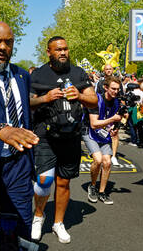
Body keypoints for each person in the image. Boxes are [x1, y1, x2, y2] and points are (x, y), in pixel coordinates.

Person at [30, 36, 97, 243]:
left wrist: (79, 95)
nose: (63, 53)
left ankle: (58, 223)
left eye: (65, 49)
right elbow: (29, 102)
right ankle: (38, 216)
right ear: (48, 52)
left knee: (63, 182)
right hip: (45, 136)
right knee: (43, 182)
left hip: (71, 137)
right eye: (58, 49)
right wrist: (46, 98)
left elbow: (93, 101)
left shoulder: (78, 73)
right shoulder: (38, 74)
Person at [0, 22, 39, 241]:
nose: (2, 47)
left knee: (16, 226)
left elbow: (26, 117)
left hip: (17, 165)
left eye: (8, 42)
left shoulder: (22, 75)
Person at [83, 76, 123, 205]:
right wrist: (112, 120)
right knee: (98, 159)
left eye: (118, 89)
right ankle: (92, 186)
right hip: (89, 132)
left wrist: (115, 128)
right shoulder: (96, 100)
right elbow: (94, 124)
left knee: (107, 162)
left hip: (103, 134)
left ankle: (102, 192)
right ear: (106, 87)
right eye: (113, 88)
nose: (116, 91)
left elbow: (116, 120)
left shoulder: (117, 102)